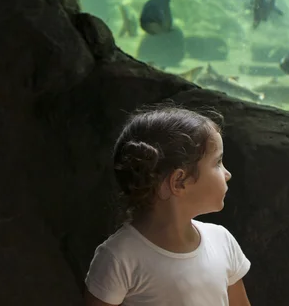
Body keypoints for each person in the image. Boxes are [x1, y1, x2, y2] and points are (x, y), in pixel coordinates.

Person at [84, 106, 251, 306]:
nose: (227, 174)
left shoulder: (223, 241)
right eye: (218, 162)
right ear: (179, 181)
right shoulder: (119, 258)